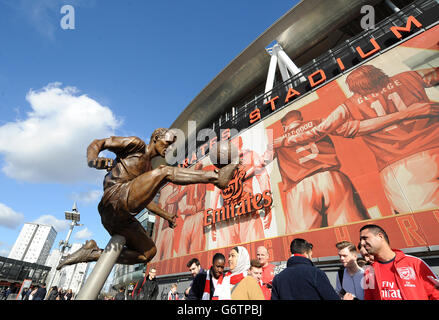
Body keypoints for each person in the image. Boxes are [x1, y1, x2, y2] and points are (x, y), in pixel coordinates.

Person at [56, 129, 240, 270]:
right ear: (156, 138)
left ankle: (93, 253)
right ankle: (216, 179)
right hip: (114, 199)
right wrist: (93, 159)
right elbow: (99, 142)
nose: (168, 148)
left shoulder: (148, 172)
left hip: (119, 216)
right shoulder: (135, 146)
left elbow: (142, 201)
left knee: (148, 253)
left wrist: (167, 216)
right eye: (167, 143)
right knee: (166, 171)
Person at [280, 66, 439, 215]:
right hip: (434, 144)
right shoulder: (409, 76)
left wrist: (284, 141)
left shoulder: (349, 106)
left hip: (400, 165)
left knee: (429, 220)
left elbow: (319, 130)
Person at [264, 110, 370, 234]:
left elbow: (261, 162)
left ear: (284, 126)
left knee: (302, 240)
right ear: (301, 118)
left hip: (300, 187)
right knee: (352, 231)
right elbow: (351, 128)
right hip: (331, 177)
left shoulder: (276, 141)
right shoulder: (318, 123)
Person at [359, 224, 439, 300]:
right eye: (361, 240)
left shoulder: (415, 263)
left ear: (380, 236)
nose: (362, 243)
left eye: (365, 238)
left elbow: (436, 294)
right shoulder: (369, 271)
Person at [271, 238, 340, 300]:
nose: (311, 258)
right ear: (306, 253)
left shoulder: (278, 278)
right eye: (311, 255)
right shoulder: (316, 273)